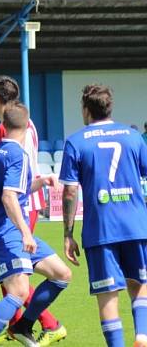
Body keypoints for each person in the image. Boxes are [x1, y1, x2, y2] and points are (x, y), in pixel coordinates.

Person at [0, 102, 71, 347]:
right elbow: (8, 197)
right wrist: (26, 233)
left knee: (61, 275)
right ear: (28, 127)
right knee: (18, 292)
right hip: (4, 230)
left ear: (4, 124)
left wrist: (40, 182)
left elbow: (14, 190)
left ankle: (23, 326)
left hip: (5, 228)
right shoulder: (18, 154)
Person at [60, 85, 147, 347]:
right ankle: (142, 334)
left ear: (86, 110)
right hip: (137, 226)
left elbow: (69, 192)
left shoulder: (76, 141)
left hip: (101, 230)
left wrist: (68, 233)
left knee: (107, 294)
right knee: (140, 282)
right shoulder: (133, 137)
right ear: (110, 107)